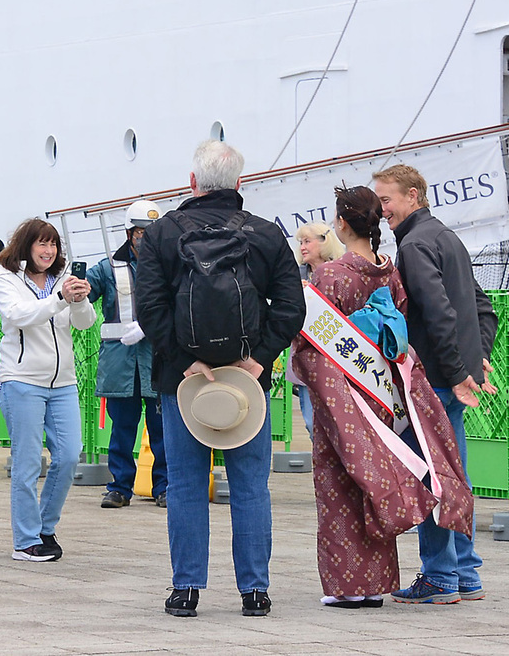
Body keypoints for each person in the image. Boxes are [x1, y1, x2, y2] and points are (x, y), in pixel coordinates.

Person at [135, 140, 305, 617]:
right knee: (250, 485)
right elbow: (291, 307)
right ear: (239, 184)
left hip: (184, 382)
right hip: (245, 381)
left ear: (192, 184)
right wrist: (260, 360)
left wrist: (184, 362)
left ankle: (186, 589)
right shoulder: (266, 234)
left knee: (188, 484)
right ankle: (255, 592)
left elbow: (149, 308)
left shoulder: (164, 234)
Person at [292, 186, 474, 609]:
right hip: (382, 391)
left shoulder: (331, 275)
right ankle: (378, 580)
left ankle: (349, 586)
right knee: (375, 481)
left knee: (341, 486)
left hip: (343, 392)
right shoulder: (387, 273)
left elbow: (310, 346)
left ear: (340, 223)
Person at [373, 164, 498, 604]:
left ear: (413, 196)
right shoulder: (446, 236)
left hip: (436, 383)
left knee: (433, 477)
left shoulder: (414, 244)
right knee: (456, 475)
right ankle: (465, 572)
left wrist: (458, 370)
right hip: (455, 377)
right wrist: (476, 360)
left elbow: (436, 313)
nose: (382, 209)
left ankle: (440, 576)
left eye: (386, 199)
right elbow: (483, 308)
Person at [0, 218, 96, 562]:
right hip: (21, 381)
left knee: (68, 456)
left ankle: (44, 527)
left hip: (63, 382)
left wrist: (78, 300)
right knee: (26, 463)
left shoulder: (63, 281)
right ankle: (25, 540)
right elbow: (19, 315)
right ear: (26, 246)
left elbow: (85, 323)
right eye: (41, 244)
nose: (48, 251)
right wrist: (59, 299)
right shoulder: (5, 278)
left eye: (52, 245)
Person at [87, 200, 167, 509]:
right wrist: (77, 290)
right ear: (129, 232)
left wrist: (149, 326)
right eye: (141, 232)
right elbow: (87, 290)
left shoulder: (167, 264)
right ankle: (119, 487)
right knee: (122, 430)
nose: (146, 238)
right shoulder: (108, 267)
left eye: (152, 232)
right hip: (120, 363)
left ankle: (164, 486)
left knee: (161, 429)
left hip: (157, 360)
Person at [287, 222, 344, 441]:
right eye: (300, 242)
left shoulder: (340, 271)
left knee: (338, 421)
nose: (302, 247)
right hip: (304, 357)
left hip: (336, 357)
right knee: (312, 423)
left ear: (324, 241)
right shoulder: (293, 275)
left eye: (307, 241)